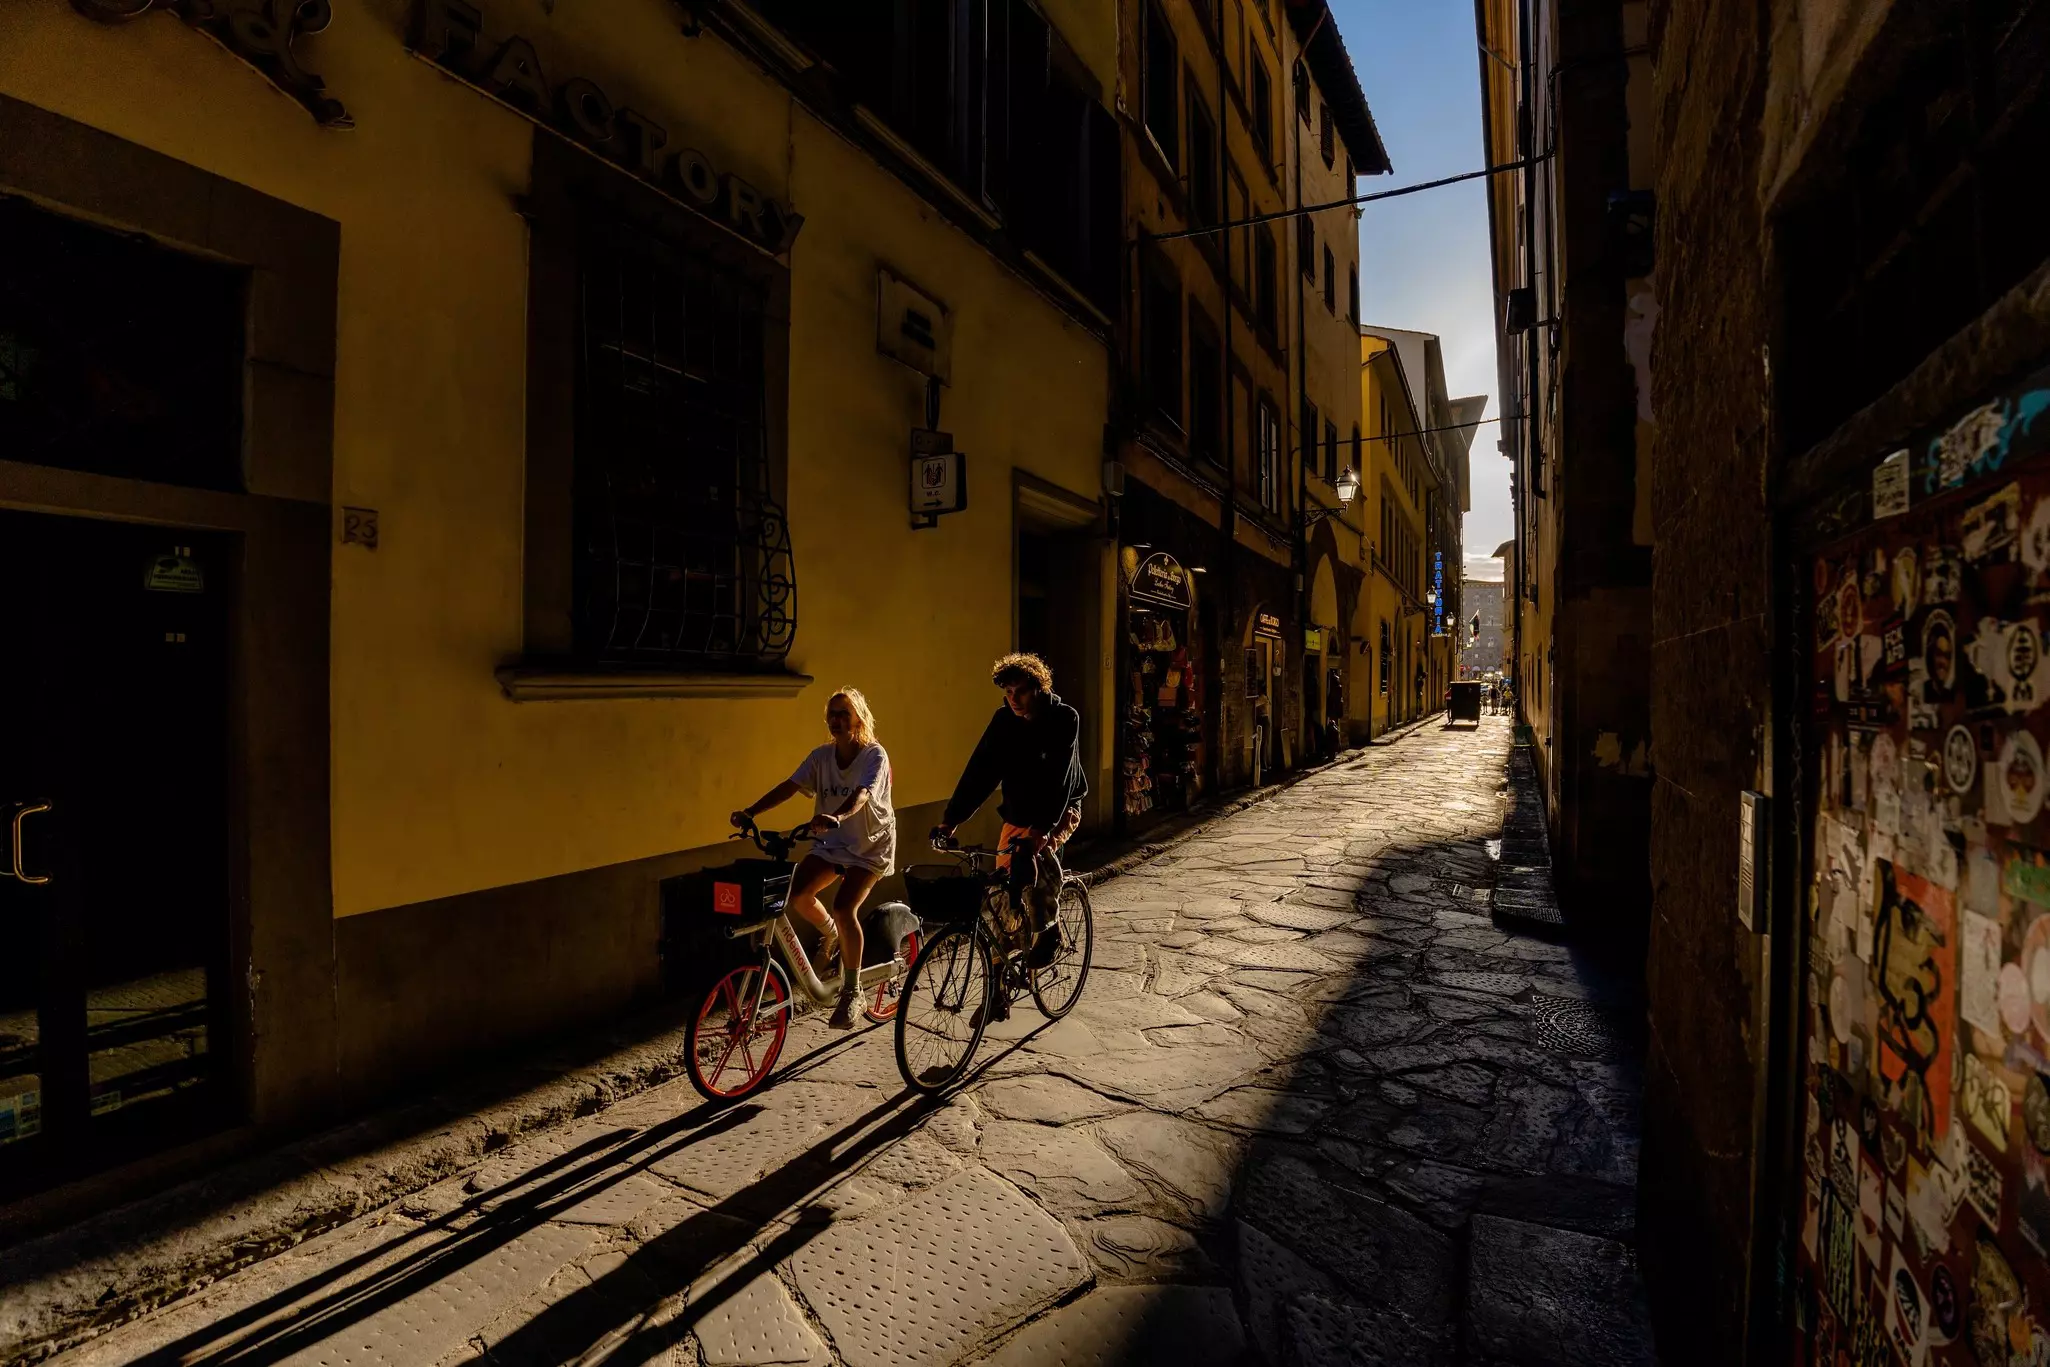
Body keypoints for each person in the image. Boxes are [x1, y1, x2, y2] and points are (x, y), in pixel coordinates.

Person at [732, 688, 895, 1029]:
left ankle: (853, 991)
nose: (837, 720)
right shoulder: (821, 757)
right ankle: (832, 935)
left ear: (859, 719)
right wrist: (751, 812)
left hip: (869, 845)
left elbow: (863, 794)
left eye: (844, 713)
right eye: (832, 714)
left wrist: (838, 815)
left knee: (844, 907)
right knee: (797, 894)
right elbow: (790, 786)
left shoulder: (873, 755)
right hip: (832, 841)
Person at [935, 653, 1087, 998]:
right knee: (1002, 896)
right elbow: (980, 772)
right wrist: (951, 820)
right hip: (1018, 814)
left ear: (1038, 687)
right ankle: (997, 991)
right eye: (1008, 692)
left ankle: (1049, 930)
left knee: (1035, 863)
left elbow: (1061, 780)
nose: (1014, 699)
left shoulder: (1064, 718)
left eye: (1020, 691)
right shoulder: (1004, 721)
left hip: (1059, 809)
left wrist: (1041, 832)